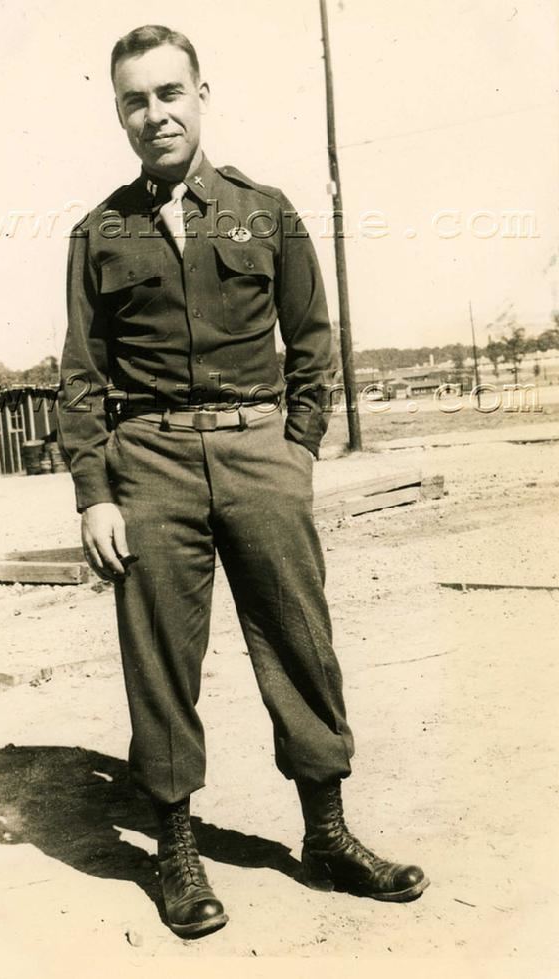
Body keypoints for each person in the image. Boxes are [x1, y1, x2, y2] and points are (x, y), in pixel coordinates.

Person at [57, 24, 429, 939]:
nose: (156, 114)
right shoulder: (97, 232)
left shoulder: (265, 210)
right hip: (149, 462)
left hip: (259, 452)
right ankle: (177, 850)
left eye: (170, 93)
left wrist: (296, 450)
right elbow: (81, 375)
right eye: (135, 100)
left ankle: (329, 833)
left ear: (201, 95)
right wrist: (97, 491)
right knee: (160, 660)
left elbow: (312, 342)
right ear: (119, 112)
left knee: (300, 639)